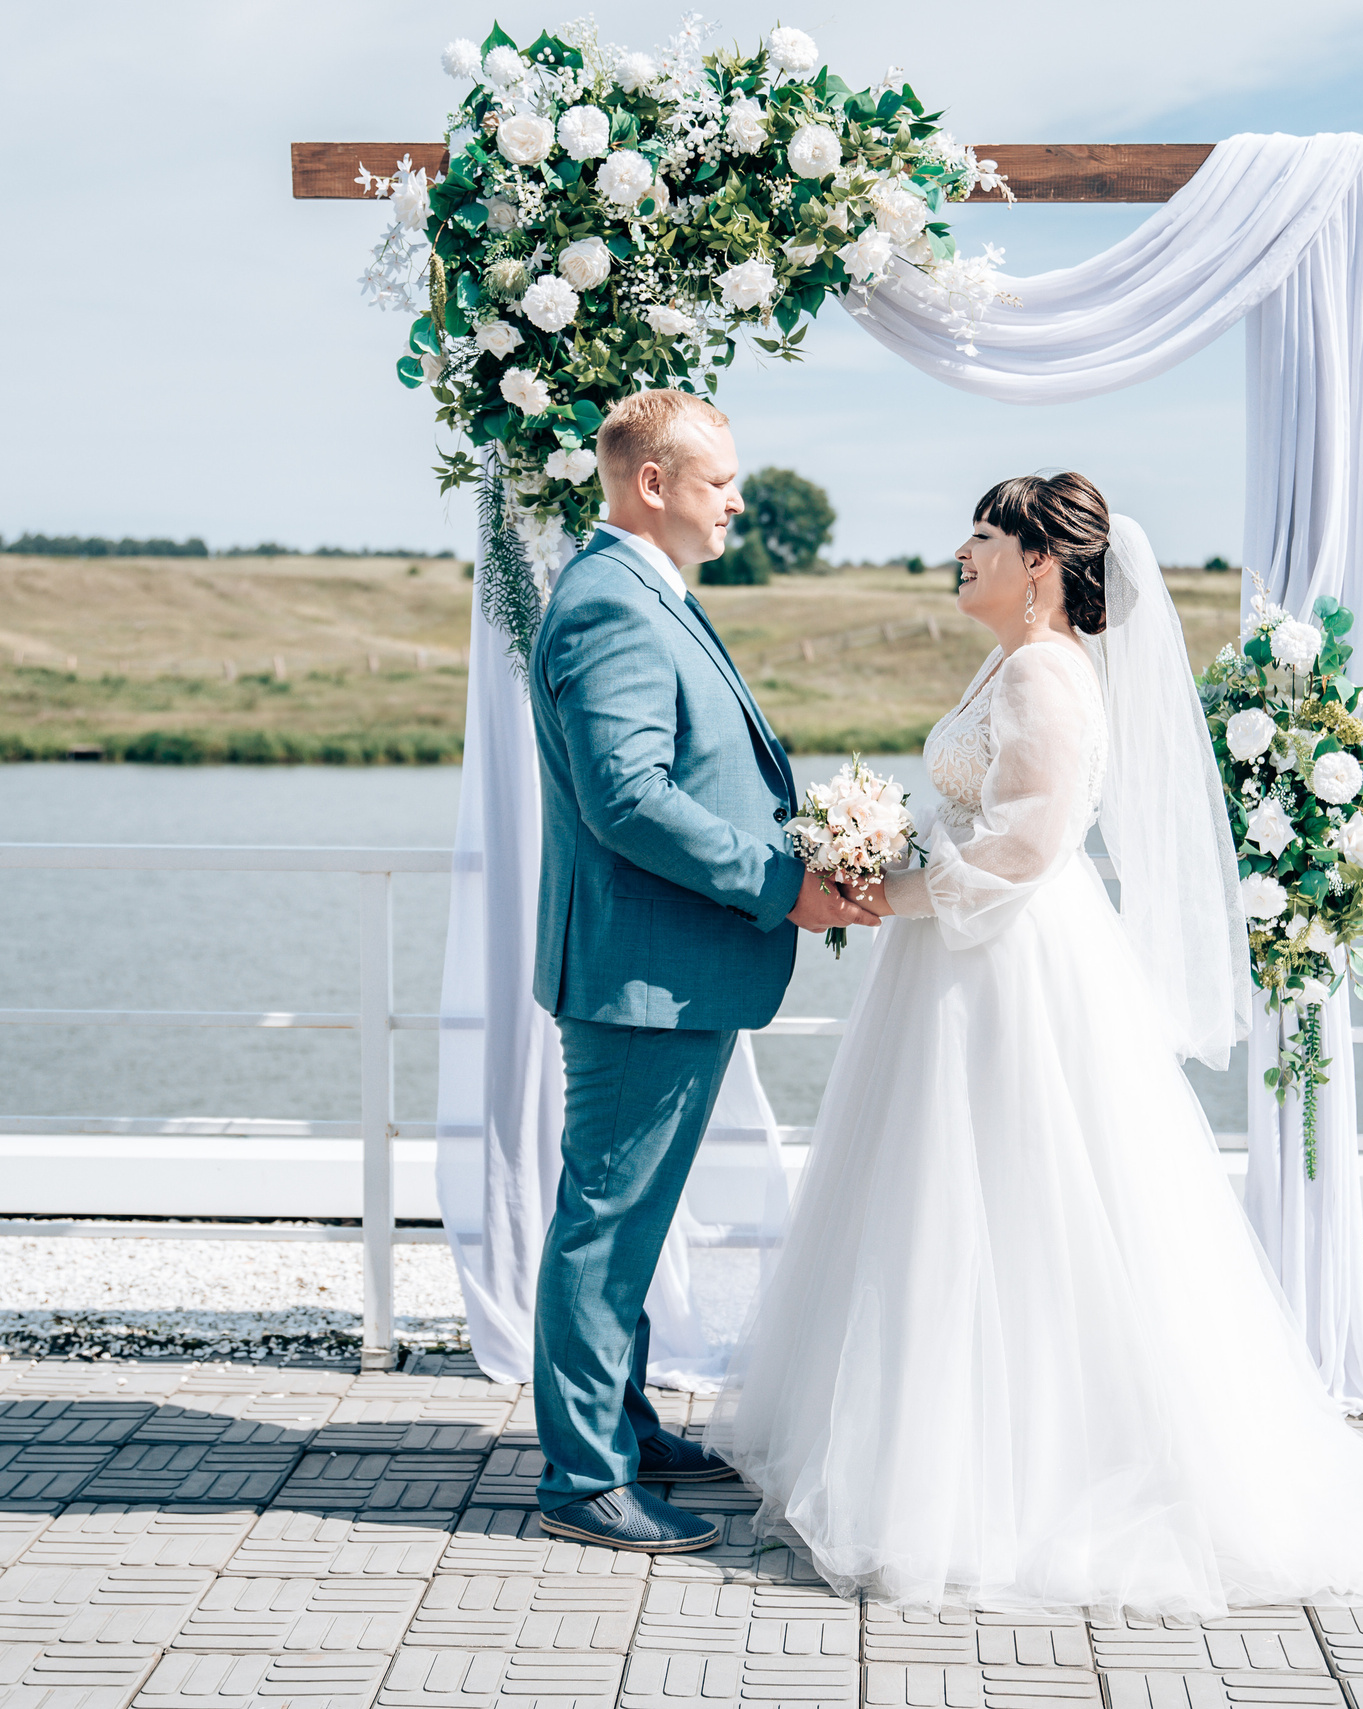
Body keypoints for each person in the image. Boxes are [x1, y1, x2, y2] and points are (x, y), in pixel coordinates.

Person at [714, 472, 1363, 1617]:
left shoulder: (1050, 671)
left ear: (1040, 562)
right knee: (939, 1199)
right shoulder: (1010, 659)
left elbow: (1022, 849)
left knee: (1016, 1194)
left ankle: (1016, 1475)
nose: (960, 550)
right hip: (956, 955)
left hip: (1009, 961)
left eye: (983, 536)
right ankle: (928, 1445)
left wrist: (882, 889)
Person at [526, 388, 878, 1554]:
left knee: (631, 1213)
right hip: (639, 967)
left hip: (666, 962)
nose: (737, 496)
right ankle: (583, 1477)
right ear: (653, 485)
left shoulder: (643, 592)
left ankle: (617, 1424)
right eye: (719, 479)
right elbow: (628, 798)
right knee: (608, 1216)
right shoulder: (610, 606)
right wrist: (782, 881)